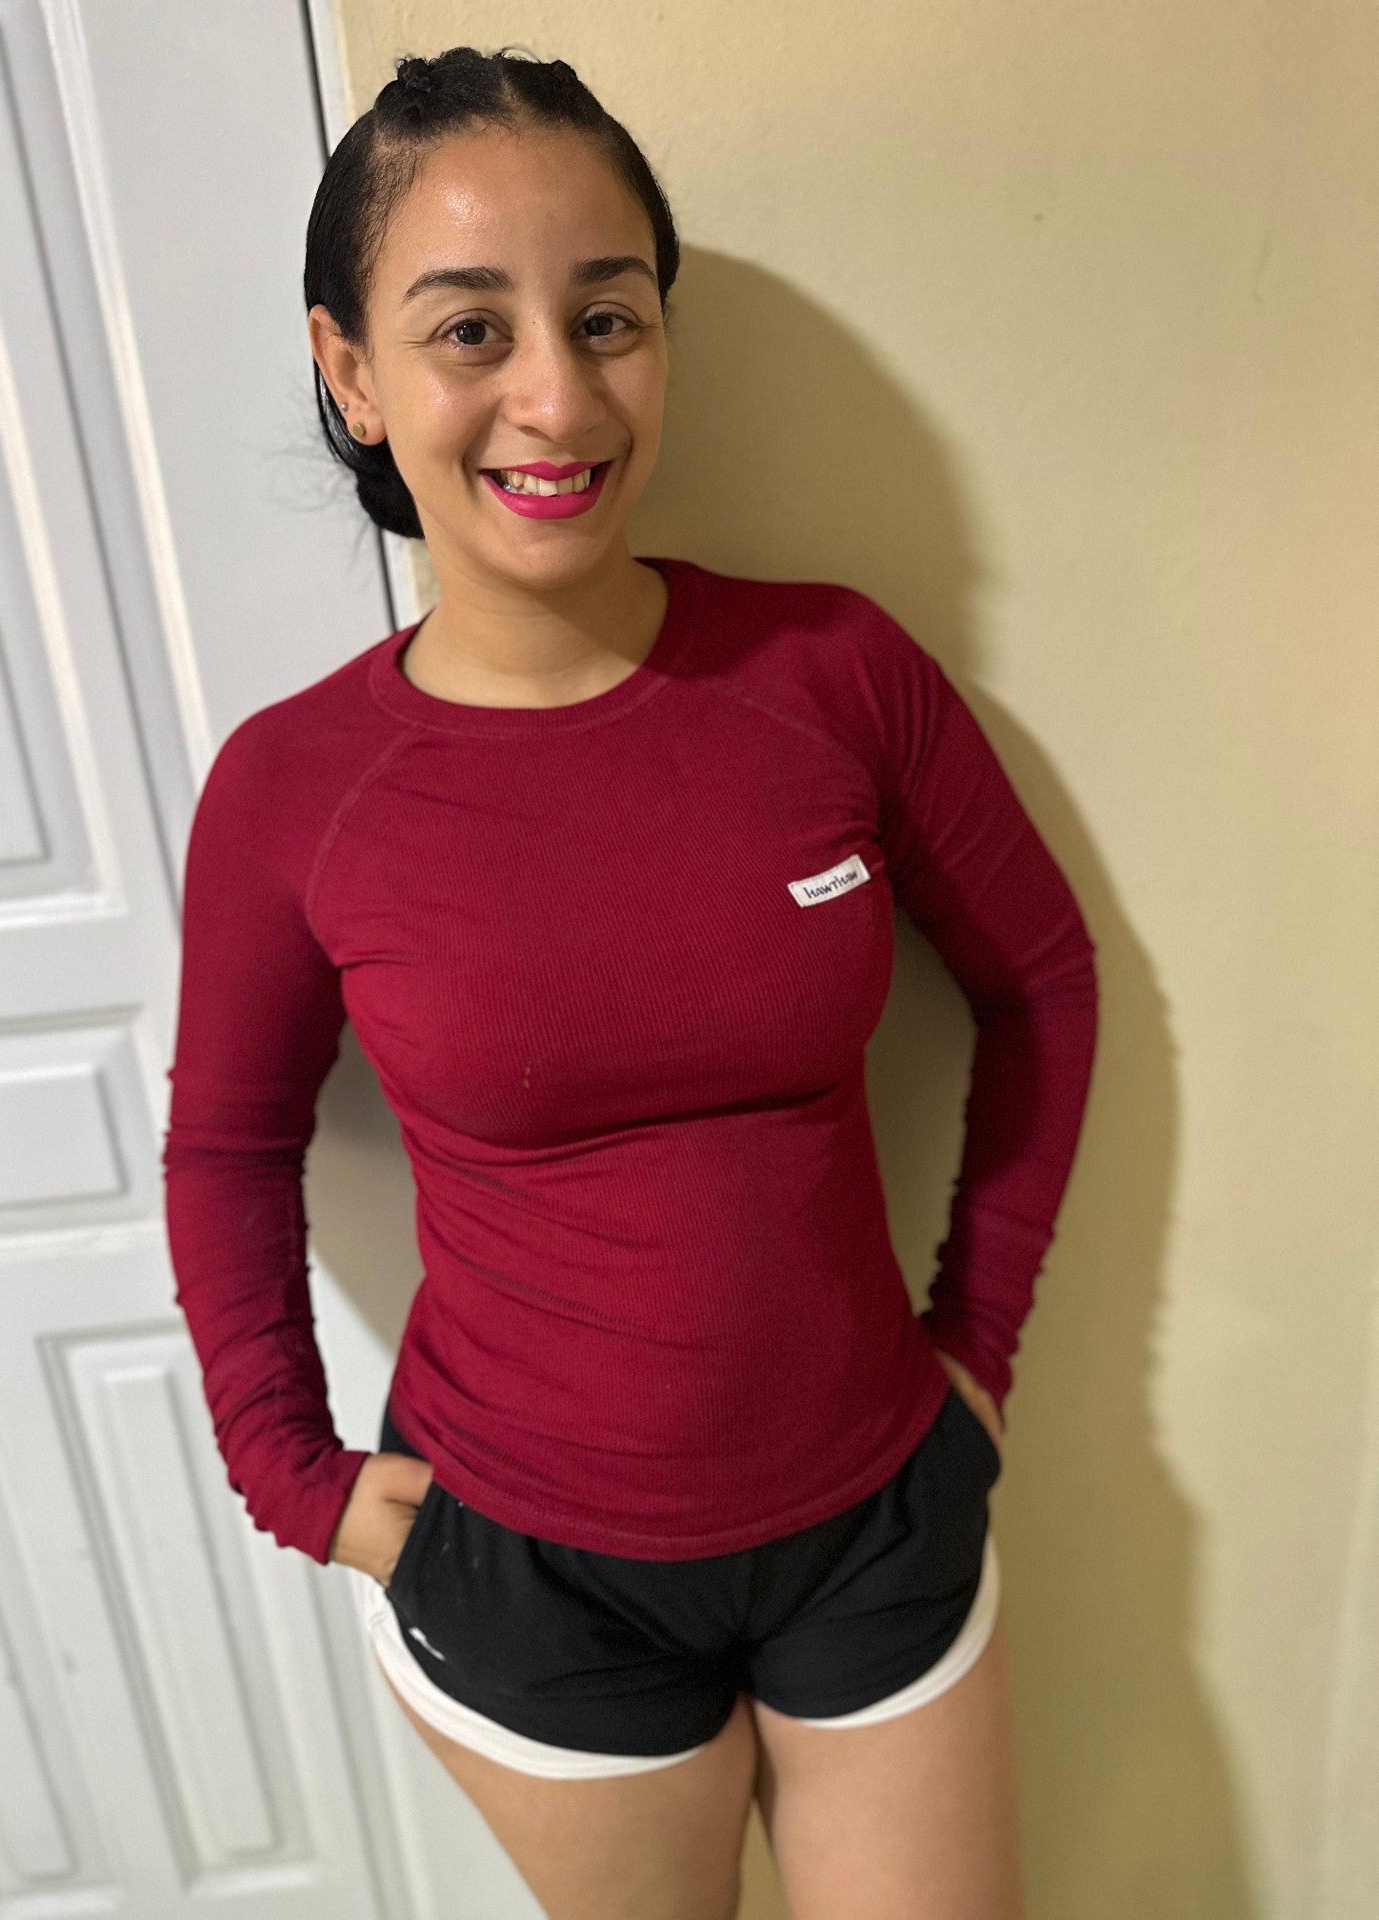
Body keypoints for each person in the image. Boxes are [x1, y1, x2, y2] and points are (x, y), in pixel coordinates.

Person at [162, 44, 1098, 1920]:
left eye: (608, 318)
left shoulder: (834, 673)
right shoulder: (293, 788)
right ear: (351, 371)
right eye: (470, 329)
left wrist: (982, 1346)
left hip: (881, 1521)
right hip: (530, 1585)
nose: (558, 396)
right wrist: (294, 1476)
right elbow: (227, 1151)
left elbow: (1046, 984)